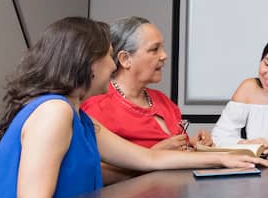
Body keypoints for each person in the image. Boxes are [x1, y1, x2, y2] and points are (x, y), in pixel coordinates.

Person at [0, 17, 268, 198]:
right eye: (108, 57)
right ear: (87, 63)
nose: (113, 65)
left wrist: (223, 159)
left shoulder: (78, 118)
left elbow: (148, 159)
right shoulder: (54, 112)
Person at [81, 17, 213, 183]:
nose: (164, 56)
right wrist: (152, 155)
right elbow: (91, 174)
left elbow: (176, 153)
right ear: (125, 59)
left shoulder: (163, 101)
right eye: (154, 49)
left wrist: (194, 145)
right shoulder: (97, 107)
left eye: (162, 48)